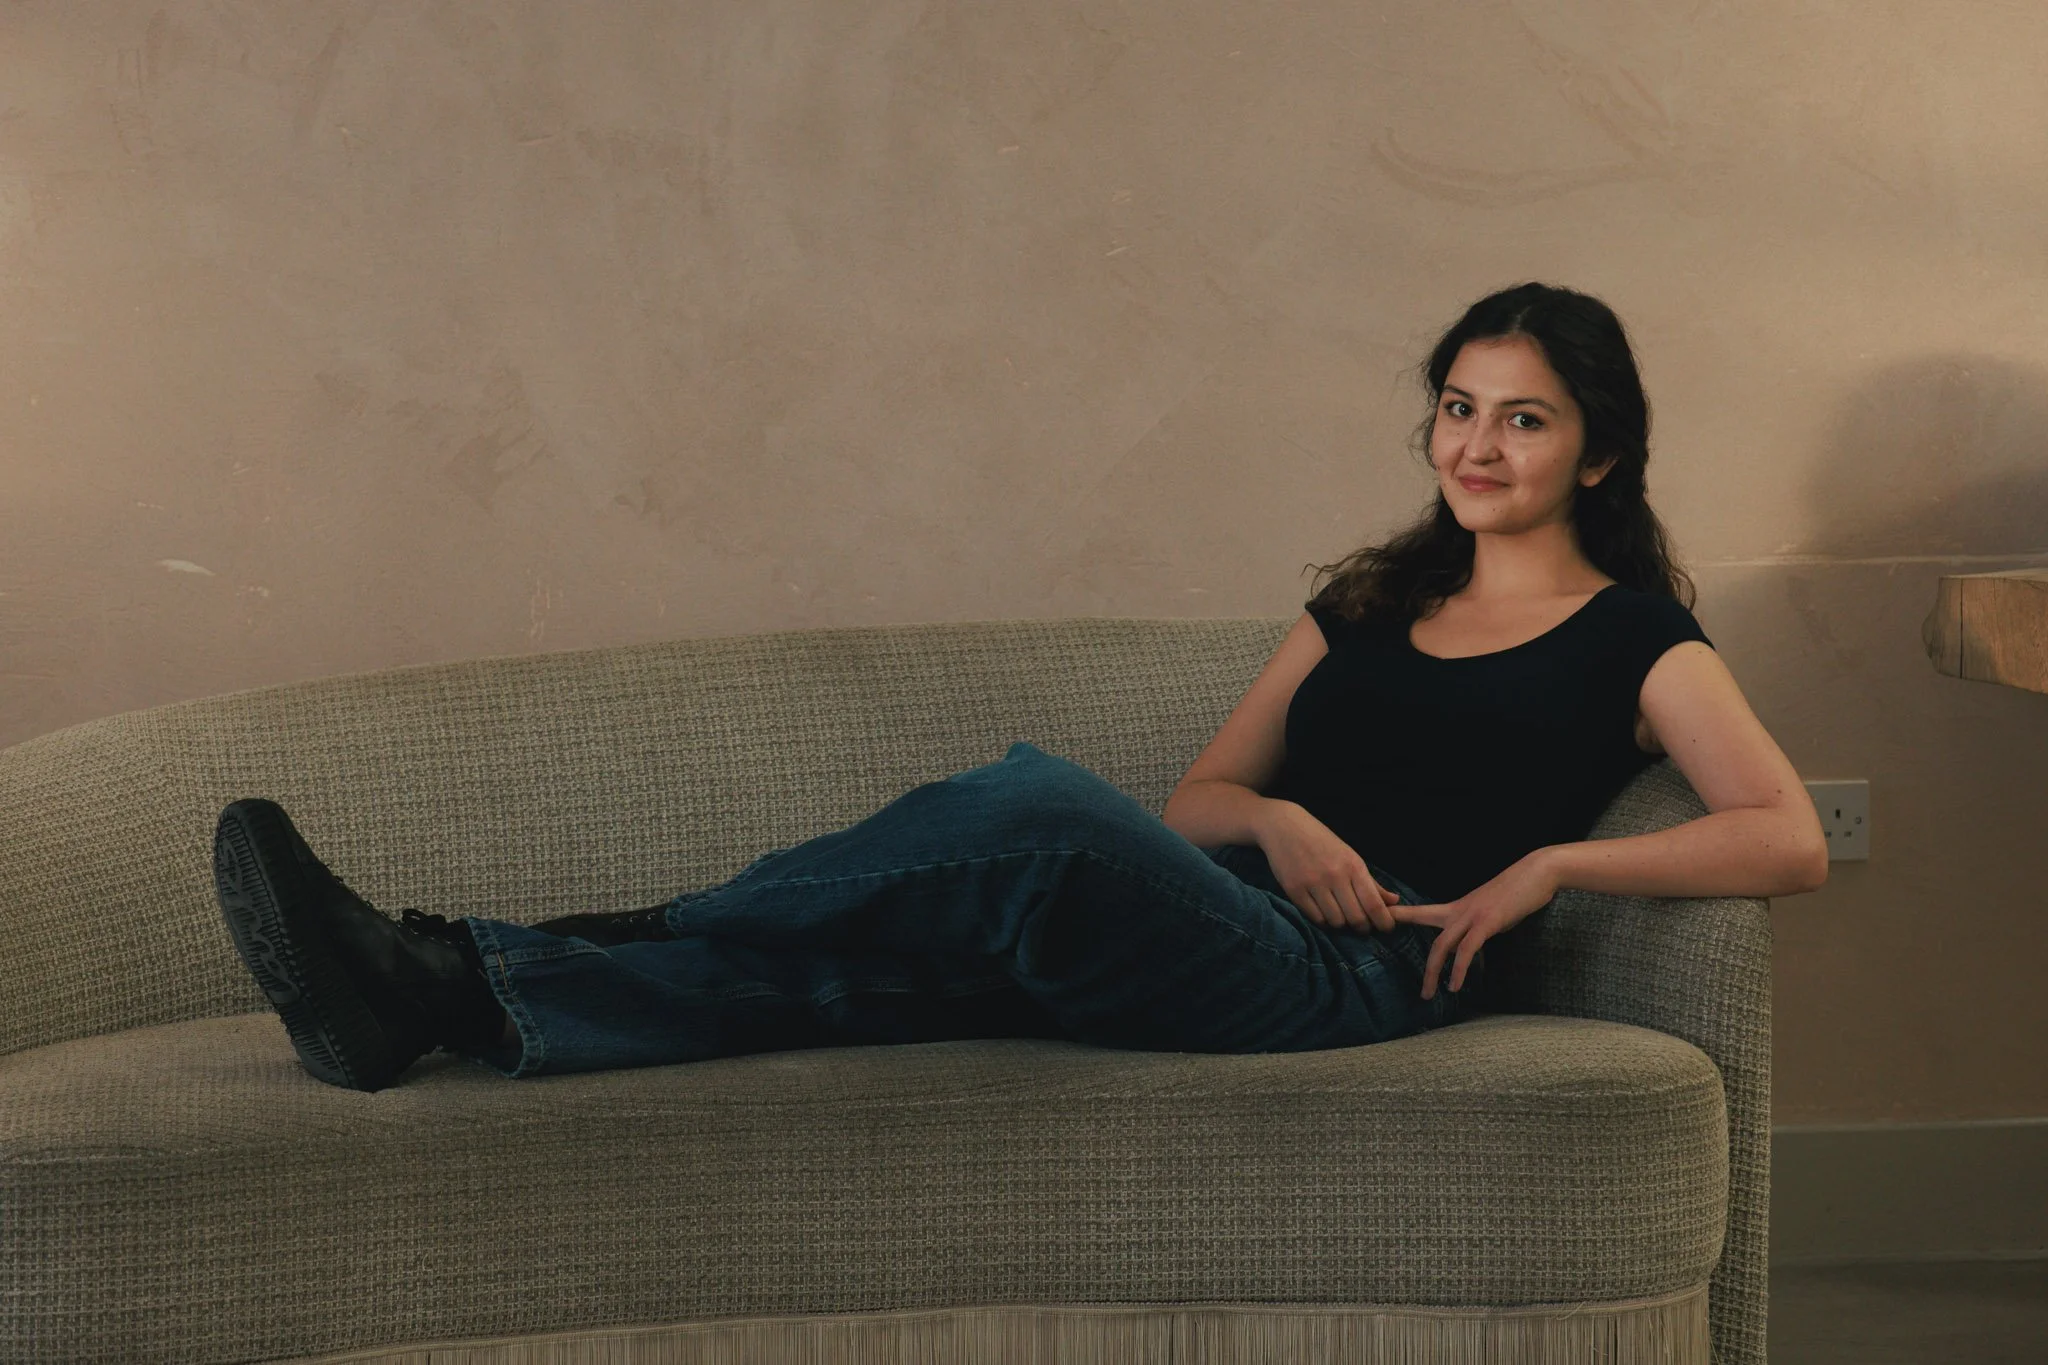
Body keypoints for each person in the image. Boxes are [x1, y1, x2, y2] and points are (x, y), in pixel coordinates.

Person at [215, 280, 1728, 1093]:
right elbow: (1200, 800)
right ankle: (442, 998)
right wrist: (1278, 822)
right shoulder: (1368, 604)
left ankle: (569, 931)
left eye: (1523, 420)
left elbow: (1781, 830)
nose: (1475, 446)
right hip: (1225, 911)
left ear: (1598, 453)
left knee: (1037, 805)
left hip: (1354, 980)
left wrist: (1547, 867)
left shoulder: (1632, 638)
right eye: (1459, 407)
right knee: (848, 979)